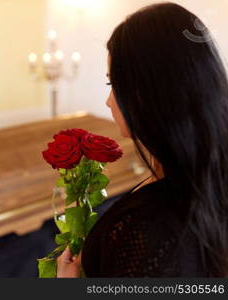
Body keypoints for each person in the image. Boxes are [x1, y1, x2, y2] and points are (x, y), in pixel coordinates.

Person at [57, 2, 228, 277]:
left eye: (113, 84)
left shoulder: (148, 229)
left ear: (149, 93)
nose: (108, 101)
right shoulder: (200, 179)